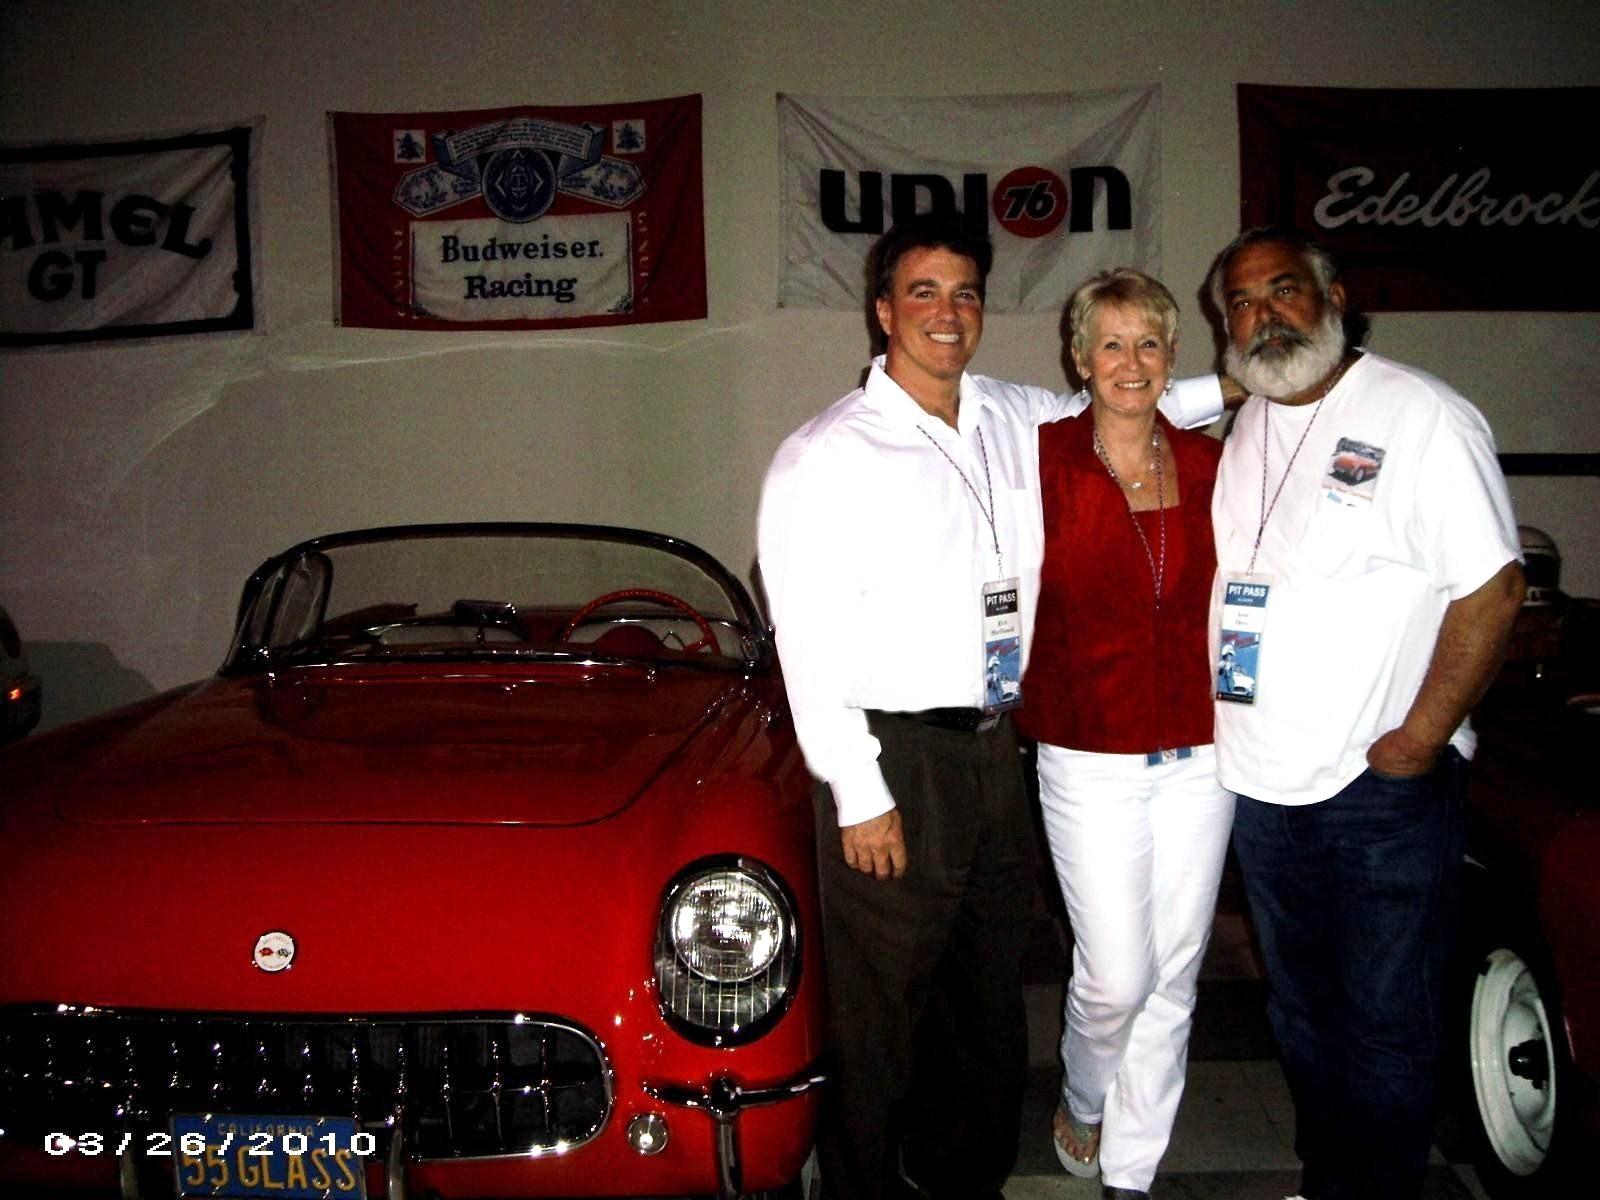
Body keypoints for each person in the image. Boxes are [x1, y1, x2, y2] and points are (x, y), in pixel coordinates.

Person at [757, 215, 1223, 1200]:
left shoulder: (1012, 415)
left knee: (985, 994)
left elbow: (1125, 394)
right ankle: (861, 1185)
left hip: (995, 748)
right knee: (880, 1007)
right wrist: (856, 790)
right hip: (896, 759)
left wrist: (1250, 381)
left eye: (964, 292)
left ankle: (962, 1175)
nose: (946, 311)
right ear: (882, 311)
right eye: (922, 292)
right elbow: (804, 635)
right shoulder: (826, 455)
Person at [1204, 228, 1525, 1200]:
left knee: (1387, 1020)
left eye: (1283, 291)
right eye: (1243, 304)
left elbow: (1492, 589)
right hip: (1261, 788)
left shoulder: (1418, 414)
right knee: (1302, 1015)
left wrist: (1417, 740)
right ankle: (1332, 1175)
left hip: (1373, 791)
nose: (1264, 315)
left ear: (1332, 295)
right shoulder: (1252, 415)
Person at [1017, 270, 1233, 1200]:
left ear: (1172, 356)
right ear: (1078, 358)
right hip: (1086, 751)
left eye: (1148, 343)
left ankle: (1134, 1173)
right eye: (1110, 344)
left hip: (1203, 754)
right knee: (1114, 976)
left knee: (1176, 972)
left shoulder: (1214, 464)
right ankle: (1083, 1093)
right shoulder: (1039, 458)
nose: (1130, 363)